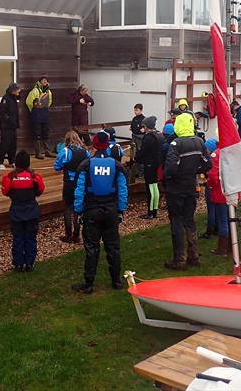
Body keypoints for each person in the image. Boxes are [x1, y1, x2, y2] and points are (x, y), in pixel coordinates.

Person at [72, 131, 129, 294]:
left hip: (92, 210)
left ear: (94, 145)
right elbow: (123, 190)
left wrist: (78, 210)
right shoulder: (117, 165)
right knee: (113, 247)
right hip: (111, 210)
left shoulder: (86, 164)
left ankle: (89, 284)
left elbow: (79, 190)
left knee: (91, 248)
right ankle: (116, 281)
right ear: (108, 144)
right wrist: (120, 209)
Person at [163, 112, 211, 270]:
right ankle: (194, 256)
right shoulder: (199, 142)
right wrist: (195, 171)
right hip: (191, 186)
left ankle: (180, 259)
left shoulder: (175, 144)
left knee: (177, 220)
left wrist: (167, 177)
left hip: (176, 188)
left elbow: (170, 168)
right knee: (189, 219)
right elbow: (207, 163)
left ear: (178, 126)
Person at [1, 150, 45, 272]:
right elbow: (40, 190)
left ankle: (18, 263)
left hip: (16, 211)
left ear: (16, 163)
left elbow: (5, 191)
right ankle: (30, 263)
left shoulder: (9, 177)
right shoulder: (35, 176)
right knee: (30, 238)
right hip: (31, 210)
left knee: (18, 238)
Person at [54, 130, 88, 243]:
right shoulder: (84, 151)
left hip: (69, 182)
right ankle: (77, 234)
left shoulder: (65, 151)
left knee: (68, 207)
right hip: (81, 182)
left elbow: (57, 167)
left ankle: (68, 234)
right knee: (78, 208)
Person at [205, 139, 231, 256]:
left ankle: (222, 248)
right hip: (233, 191)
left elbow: (213, 175)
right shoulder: (234, 151)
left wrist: (209, 185)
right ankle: (232, 245)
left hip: (221, 191)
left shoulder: (217, 153)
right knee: (232, 219)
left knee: (223, 220)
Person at [135, 116, 162, 220]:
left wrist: (136, 158)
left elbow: (143, 152)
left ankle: (151, 212)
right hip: (156, 163)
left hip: (149, 164)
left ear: (147, 126)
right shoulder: (159, 134)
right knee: (155, 186)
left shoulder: (149, 137)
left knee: (150, 187)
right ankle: (155, 209)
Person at [25, 75, 55, 159]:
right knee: (37, 133)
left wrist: (45, 106)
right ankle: (38, 152)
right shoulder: (34, 91)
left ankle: (47, 151)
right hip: (36, 113)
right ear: (39, 82)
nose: (45, 82)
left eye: (46, 81)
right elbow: (28, 102)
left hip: (45, 112)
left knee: (46, 132)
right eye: (43, 80)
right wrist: (33, 108)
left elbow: (49, 101)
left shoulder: (48, 92)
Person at [0, 83, 21, 169]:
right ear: (13, 90)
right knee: (5, 144)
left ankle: (12, 161)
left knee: (13, 144)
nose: (19, 91)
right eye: (17, 90)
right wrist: (9, 120)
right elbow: (2, 112)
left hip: (13, 126)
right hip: (6, 126)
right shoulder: (6, 98)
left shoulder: (14, 98)